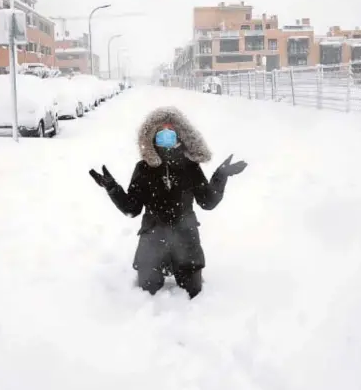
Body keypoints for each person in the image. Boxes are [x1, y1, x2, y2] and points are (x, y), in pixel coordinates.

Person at [89, 106, 247, 299]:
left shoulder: (190, 167)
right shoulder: (144, 168)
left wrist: (221, 175)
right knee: (146, 292)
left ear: (180, 135)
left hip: (186, 240)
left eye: (170, 131)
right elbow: (132, 208)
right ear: (152, 137)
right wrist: (112, 188)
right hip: (152, 239)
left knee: (194, 293)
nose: (166, 136)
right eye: (160, 132)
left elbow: (208, 202)